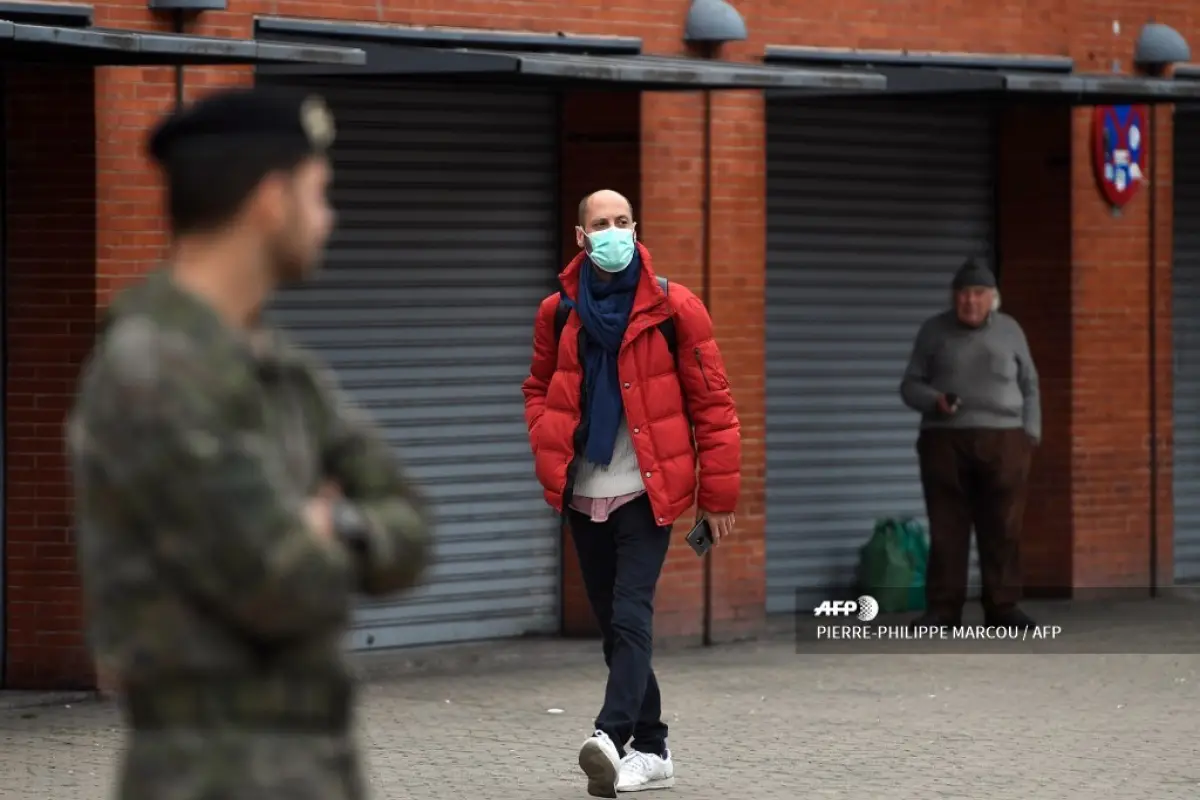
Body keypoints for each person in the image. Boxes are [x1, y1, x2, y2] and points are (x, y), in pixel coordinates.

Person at [66, 87, 432, 800]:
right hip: (205, 774)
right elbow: (281, 584)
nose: (330, 219)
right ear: (271, 200)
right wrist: (338, 537)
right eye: (320, 194)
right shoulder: (149, 369)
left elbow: (412, 526)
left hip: (309, 767)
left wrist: (336, 525)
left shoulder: (285, 371)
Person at [522, 189, 741, 797]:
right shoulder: (558, 312)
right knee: (614, 631)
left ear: (636, 228)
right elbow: (537, 385)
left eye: (623, 222)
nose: (613, 232)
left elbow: (714, 407)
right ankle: (654, 746)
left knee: (630, 614)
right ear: (581, 236)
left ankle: (610, 736)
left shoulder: (675, 308)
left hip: (648, 491)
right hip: (583, 490)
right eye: (601, 224)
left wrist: (717, 496)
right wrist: (546, 434)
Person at [899, 258, 1040, 631]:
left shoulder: (1011, 331)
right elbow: (909, 385)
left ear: (992, 297)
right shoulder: (933, 331)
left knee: (1003, 527)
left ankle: (1003, 609)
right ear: (954, 297)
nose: (970, 301)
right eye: (963, 294)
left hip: (1006, 440)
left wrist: (1031, 434)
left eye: (978, 293)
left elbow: (1031, 385)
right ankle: (943, 611)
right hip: (945, 440)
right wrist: (935, 400)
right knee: (947, 527)